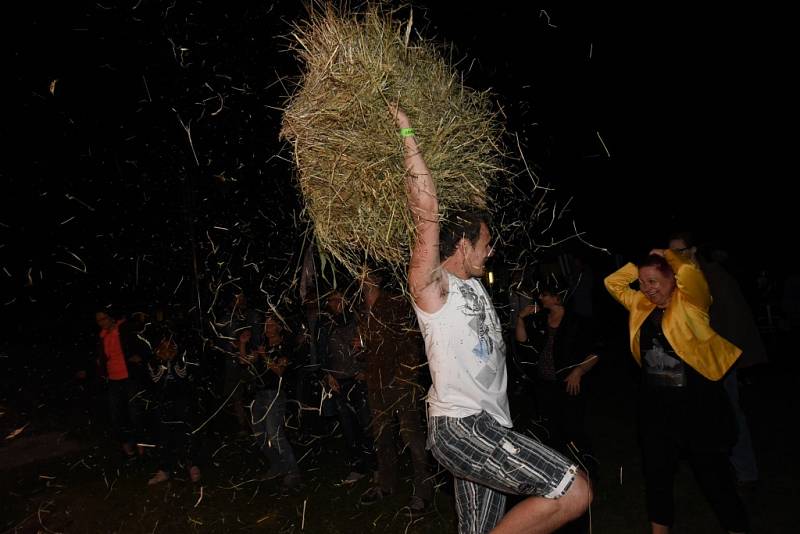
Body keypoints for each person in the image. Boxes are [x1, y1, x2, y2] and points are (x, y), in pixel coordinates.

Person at [393, 104, 591, 533]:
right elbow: (426, 209)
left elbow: (469, 201)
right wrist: (408, 130)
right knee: (574, 490)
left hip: (490, 423)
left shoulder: (474, 283)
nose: (492, 250)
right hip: (461, 427)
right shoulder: (433, 286)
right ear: (462, 244)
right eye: (486, 242)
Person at [604, 249, 749, 534]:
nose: (648, 289)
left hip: (697, 406)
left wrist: (669, 255)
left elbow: (691, 275)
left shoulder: (692, 303)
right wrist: (640, 267)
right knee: (657, 476)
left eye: (655, 281)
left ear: (672, 278)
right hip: (656, 408)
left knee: (713, 476)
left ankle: (737, 528)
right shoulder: (640, 305)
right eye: (644, 283)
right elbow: (613, 283)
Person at [668, 232, 766, 485]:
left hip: (718, 361)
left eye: (679, 251)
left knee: (730, 413)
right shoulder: (681, 280)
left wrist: (724, 360)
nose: (674, 257)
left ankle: (745, 471)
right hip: (693, 361)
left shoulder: (715, 277)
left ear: (693, 250)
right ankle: (713, 467)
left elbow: (733, 323)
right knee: (702, 414)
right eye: (671, 252)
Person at [356, 271, 433, 513]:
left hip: (400, 384)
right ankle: (386, 485)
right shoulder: (360, 308)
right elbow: (367, 349)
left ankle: (423, 493)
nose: (361, 277)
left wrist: (405, 379)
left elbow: (411, 341)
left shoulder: (395, 303)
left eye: (365, 272)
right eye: (358, 272)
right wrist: (360, 356)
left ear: (376, 278)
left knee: (413, 439)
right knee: (382, 439)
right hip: (375, 384)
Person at [515, 283, 599, 469]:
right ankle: (557, 470)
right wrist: (521, 319)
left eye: (545, 295)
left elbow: (595, 351)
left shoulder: (577, 321)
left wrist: (578, 371)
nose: (541, 298)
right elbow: (523, 342)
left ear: (557, 297)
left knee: (574, 426)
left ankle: (588, 467)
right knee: (551, 429)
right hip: (545, 383)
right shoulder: (540, 318)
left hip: (569, 383)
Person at [318, 289, 376, 483]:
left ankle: (375, 467)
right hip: (339, 384)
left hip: (358, 381)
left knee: (366, 424)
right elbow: (322, 354)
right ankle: (358, 467)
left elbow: (373, 350)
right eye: (331, 301)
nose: (336, 304)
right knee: (348, 427)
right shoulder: (326, 326)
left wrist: (365, 366)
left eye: (339, 299)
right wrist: (328, 375)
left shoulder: (358, 321)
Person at [240, 314, 302, 490]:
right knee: (259, 434)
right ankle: (277, 465)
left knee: (274, 434)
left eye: (271, 324)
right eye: (266, 324)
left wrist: (265, 356)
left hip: (275, 394)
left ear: (279, 327)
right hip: (258, 395)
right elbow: (244, 361)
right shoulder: (263, 346)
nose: (267, 327)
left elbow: (280, 371)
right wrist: (243, 344)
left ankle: (293, 472)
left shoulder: (285, 347)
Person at [146, 332, 201, 485]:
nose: (167, 348)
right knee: (163, 436)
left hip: (181, 401)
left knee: (186, 433)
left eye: (170, 345)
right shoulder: (153, 362)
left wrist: (175, 359)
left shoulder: (181, 359)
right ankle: (164, 470)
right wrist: (163, 363)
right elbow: (155, 380)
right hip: (163, 402)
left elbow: (182, 376)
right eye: (163, 346)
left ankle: (192, 465)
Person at [95, 309, 148, 457]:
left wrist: (140, 357)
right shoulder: (102, 336)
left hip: (129, 377)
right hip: (113, 380)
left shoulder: (124, 329)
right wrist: (101, 364)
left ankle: (141, 444)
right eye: (98, 320)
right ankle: (126, 444)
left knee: (135, 413)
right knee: (116, 415)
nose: (101, 323)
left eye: (103, 318)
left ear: (111, 317)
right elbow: (103, 357)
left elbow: (141, 342)